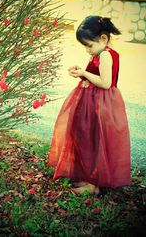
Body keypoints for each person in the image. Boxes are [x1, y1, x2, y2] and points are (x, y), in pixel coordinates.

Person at [47, 15, 131, 194]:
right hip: (94, 102)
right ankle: (88, 179)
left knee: (95, 141)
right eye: (84, 46)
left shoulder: (106, 55)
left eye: (89, 45)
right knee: (87, 140)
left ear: (103, 38)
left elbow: (105, 83)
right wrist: (82, 72)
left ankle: (93, 185)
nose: (87, 50)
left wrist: (84, 73)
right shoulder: (102, 52)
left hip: (99, 105)